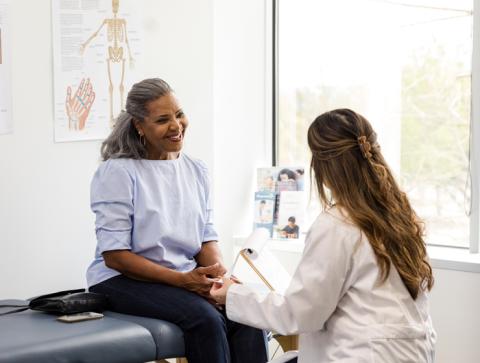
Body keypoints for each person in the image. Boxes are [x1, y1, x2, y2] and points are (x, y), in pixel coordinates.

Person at [211, 109, 436, 363]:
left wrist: (232, 294)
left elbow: (300, 314)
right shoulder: (400, 216)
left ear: (323, 166)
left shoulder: (337, 224)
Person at [86, 78, 268, 363]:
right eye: (162, 119)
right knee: (205, 320)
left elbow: (205, 234)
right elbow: (115, 256)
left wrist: (215, 274)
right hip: (120, 280)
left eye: (179, 114)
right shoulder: (118, 173)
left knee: (244, 311)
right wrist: (184, 282)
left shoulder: (196, 169)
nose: (176, 125)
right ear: (139, 125)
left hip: (182, 275)